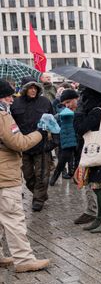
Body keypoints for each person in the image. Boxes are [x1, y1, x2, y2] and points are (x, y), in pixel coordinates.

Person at [0, 80, 51, 273]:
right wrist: (40, 133)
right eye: (8, 96)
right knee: (13, 218)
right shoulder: (3, 116)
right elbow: (19, 143)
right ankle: (23, 259)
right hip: (5, 174)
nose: (11, 100)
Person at [11, 78, 56, 211]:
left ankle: (38, 199)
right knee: (28, 175)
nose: (33, 90)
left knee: (42, 175)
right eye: (30, 88)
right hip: (23, 145)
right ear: (24, 89)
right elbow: (10, 123)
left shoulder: (45, 102)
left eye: (35, 88)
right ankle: (41, 193)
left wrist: (54, 142)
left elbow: (53, 122)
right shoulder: (15, 103)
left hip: (42, 145)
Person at [74, 88, 101, 233]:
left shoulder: (97, 112)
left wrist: (79, 113)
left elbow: (80, 128)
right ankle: (99, 218)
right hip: (97, 152)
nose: (82, 101)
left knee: (99, 188)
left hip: (97, 154)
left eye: (84, 98)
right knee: (95, 186)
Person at [50, 89, 79, 185]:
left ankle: (76, 177)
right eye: (65, 103)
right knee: (62, 161)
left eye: (68, 102)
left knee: (78, 160)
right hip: (67, 141)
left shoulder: (82, 110)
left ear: (76, 99)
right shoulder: (63, 112)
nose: (67, 105)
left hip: (79, 140)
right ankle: (54, 178)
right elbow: (55, 120)